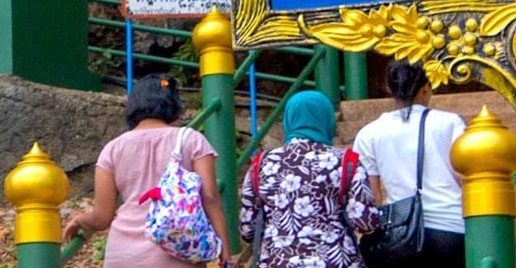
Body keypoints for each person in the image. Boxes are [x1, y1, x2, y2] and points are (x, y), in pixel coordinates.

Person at [61, 74, 232, 267]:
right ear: (174, 104)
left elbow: (102, 217)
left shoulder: (113, 149)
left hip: (123, 255)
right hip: (176, 251)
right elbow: (209, 197)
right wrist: (225, 250)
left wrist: (79, 220)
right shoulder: (192, 140)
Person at [240, 89, 379, 267]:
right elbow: (366, 223)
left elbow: (248, 229)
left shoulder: (261, 165)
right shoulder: (346, 162)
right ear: (327, 119)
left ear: (288, 120)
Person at [353, 60, 467, 267]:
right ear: (426, 88)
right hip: (452, 227)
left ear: (389, 89)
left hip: (402, 235)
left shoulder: (368, 133)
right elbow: (464, 176)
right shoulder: (451, 123)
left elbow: (374, 198)